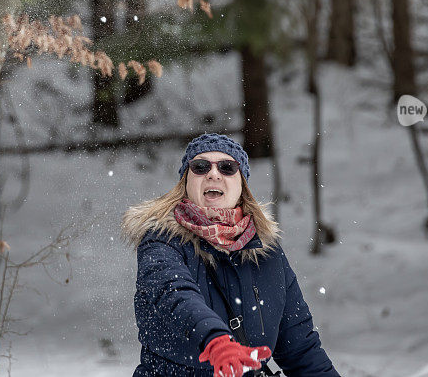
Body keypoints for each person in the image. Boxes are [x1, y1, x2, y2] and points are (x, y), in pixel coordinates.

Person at [122, 133, 341, 376]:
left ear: (242, 186)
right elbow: (175, 295)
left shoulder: (266, 253)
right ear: (186, 182)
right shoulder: (161, 241)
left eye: (227, 167)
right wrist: (216, 341)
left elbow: (301, 349)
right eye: (200, 166)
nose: (213, 174)